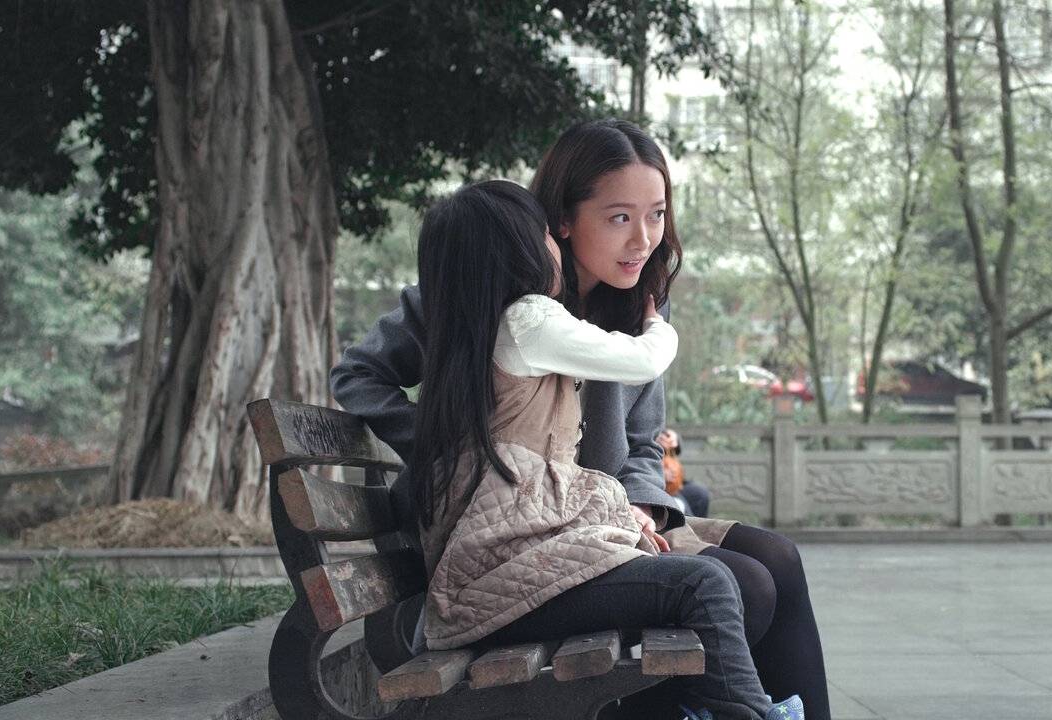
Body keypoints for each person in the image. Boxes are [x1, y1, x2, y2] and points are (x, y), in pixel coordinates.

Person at [332, 119, 827, 718]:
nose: (643, 240)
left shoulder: (642, 303)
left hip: (603, 513)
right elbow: (358, 375)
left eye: (657, 215)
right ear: (563, 220)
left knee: (776, 559)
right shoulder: (486, 284)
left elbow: (643, 442)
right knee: (742, 584)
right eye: (619, 218)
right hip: (512, 536)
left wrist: (644, 507)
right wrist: (465, 450)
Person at [658, 428, 712, 518]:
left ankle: (700, 524)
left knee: (700, 493)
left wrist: (672, 437)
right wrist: (656, 473)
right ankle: (692, 525)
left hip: (673, 485)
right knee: (680, 504)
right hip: (647, 481)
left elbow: (663, 432)